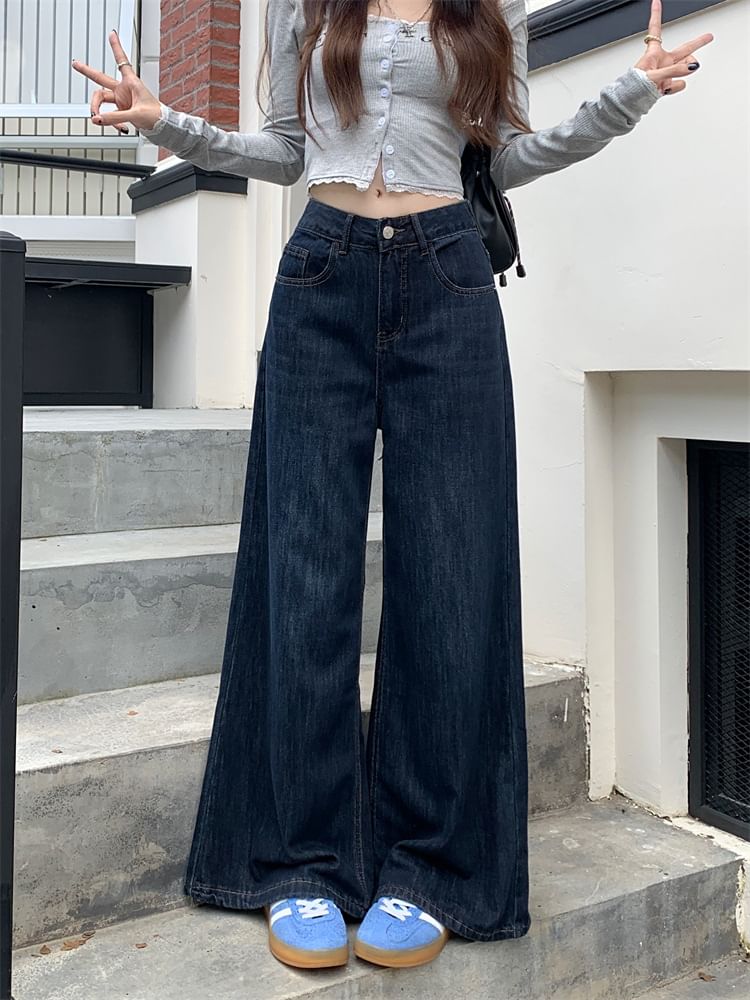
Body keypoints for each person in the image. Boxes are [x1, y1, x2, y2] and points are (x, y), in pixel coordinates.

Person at [73, 0, 712, 974]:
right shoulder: (306, 8)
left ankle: (432, 867)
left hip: (448, 281)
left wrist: (628, 94)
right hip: (320, 276)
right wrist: (166, 121)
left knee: (450, 578)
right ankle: (301, 858)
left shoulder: (489, 12)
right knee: (303, 579)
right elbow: (283, 153)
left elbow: (507, 160)